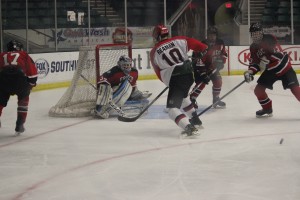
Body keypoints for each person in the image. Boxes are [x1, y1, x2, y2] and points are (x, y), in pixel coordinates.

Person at [150, 24, 208, 138]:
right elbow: (202, 47)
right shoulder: (179, 40)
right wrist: (200, 52)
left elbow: (159, 73)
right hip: (188, 75)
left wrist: (170, 83)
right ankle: (195, 120)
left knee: (172, 110)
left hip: (176, 78)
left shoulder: (154, 51)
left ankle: (189, 128)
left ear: (157, 37)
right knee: (184, 98)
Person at [244, 22, 300, 117]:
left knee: (295, 89)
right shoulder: (253, 47)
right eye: (253, 34)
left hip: (283, 67)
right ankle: (267, 109)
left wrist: (266, 62)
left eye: (257, 33)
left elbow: (279, 56)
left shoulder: (269, 38)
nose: (255, 35)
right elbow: (255, 63)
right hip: (271, 70)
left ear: (261, 32)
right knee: (258, 91)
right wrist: (250, 72)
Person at [0, 40, 38, 135]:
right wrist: (31, 84)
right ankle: (20, 124)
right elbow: (32, 71)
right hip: (20, 80)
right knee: (23, 101)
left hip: (3, 80)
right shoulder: (23, 54)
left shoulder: (1, 55)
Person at [190, 26, 228, 109]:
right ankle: (192, 99)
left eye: (213, 35)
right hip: (199, 67)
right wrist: (204, 74)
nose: (212, 36)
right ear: (207, 35)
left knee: (218, 81)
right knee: (202, 83)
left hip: (212, 67)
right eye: (210, 35)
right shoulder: (203, 45)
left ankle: (216, 99)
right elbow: (199, 61)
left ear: (216, 35)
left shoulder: (220, 43)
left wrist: (222, 61)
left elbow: (224, 54)